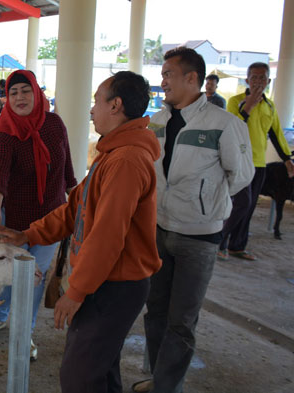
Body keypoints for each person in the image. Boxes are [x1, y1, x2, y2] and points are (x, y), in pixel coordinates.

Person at [0, 70, 162, 392]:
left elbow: (107, 236)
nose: (91, 109)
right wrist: (28, 234)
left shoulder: (125, 160)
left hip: (115, 284)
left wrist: (76, 291)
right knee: (101, 369)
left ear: (116, 106)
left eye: (97, 101)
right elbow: (75, 210)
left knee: (79, 377)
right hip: (104, 280)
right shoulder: (113, 153)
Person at [134, 47, 254, 393]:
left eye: (168, 73)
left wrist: (207, 201)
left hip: (199, 236)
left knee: (182, 320)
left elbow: (241, 175)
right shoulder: (157, 120)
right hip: (157, 229)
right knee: (155, 311)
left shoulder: (224, 123)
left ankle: (168, 388)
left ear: (191, 78)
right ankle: (158, 379)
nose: (163, 80)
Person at [0, 70, 77, 361]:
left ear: (36, 92)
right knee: (9, 273)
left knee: (35, 277)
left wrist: (82, 202)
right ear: (7, 98)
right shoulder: (6, 129)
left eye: (25, 90)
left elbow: (67, 170)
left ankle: (25, 332)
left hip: (52, 218)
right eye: (13, 93)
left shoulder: (55, 124)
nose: (20, 97)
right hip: (13, 221)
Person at [218, 62, 294, 261]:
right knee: (242, 203)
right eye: (254, 77)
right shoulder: (235, 101)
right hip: (238, 160)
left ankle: (237, 246)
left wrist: (287, 159)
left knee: (250, 207)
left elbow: (276, 133)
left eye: (262, 78)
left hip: (259, 164)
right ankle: (220, 241)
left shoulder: (270, 106)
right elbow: (231, 127)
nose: (258, 82)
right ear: (247, 80)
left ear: (269, 81)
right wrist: (248, 106)